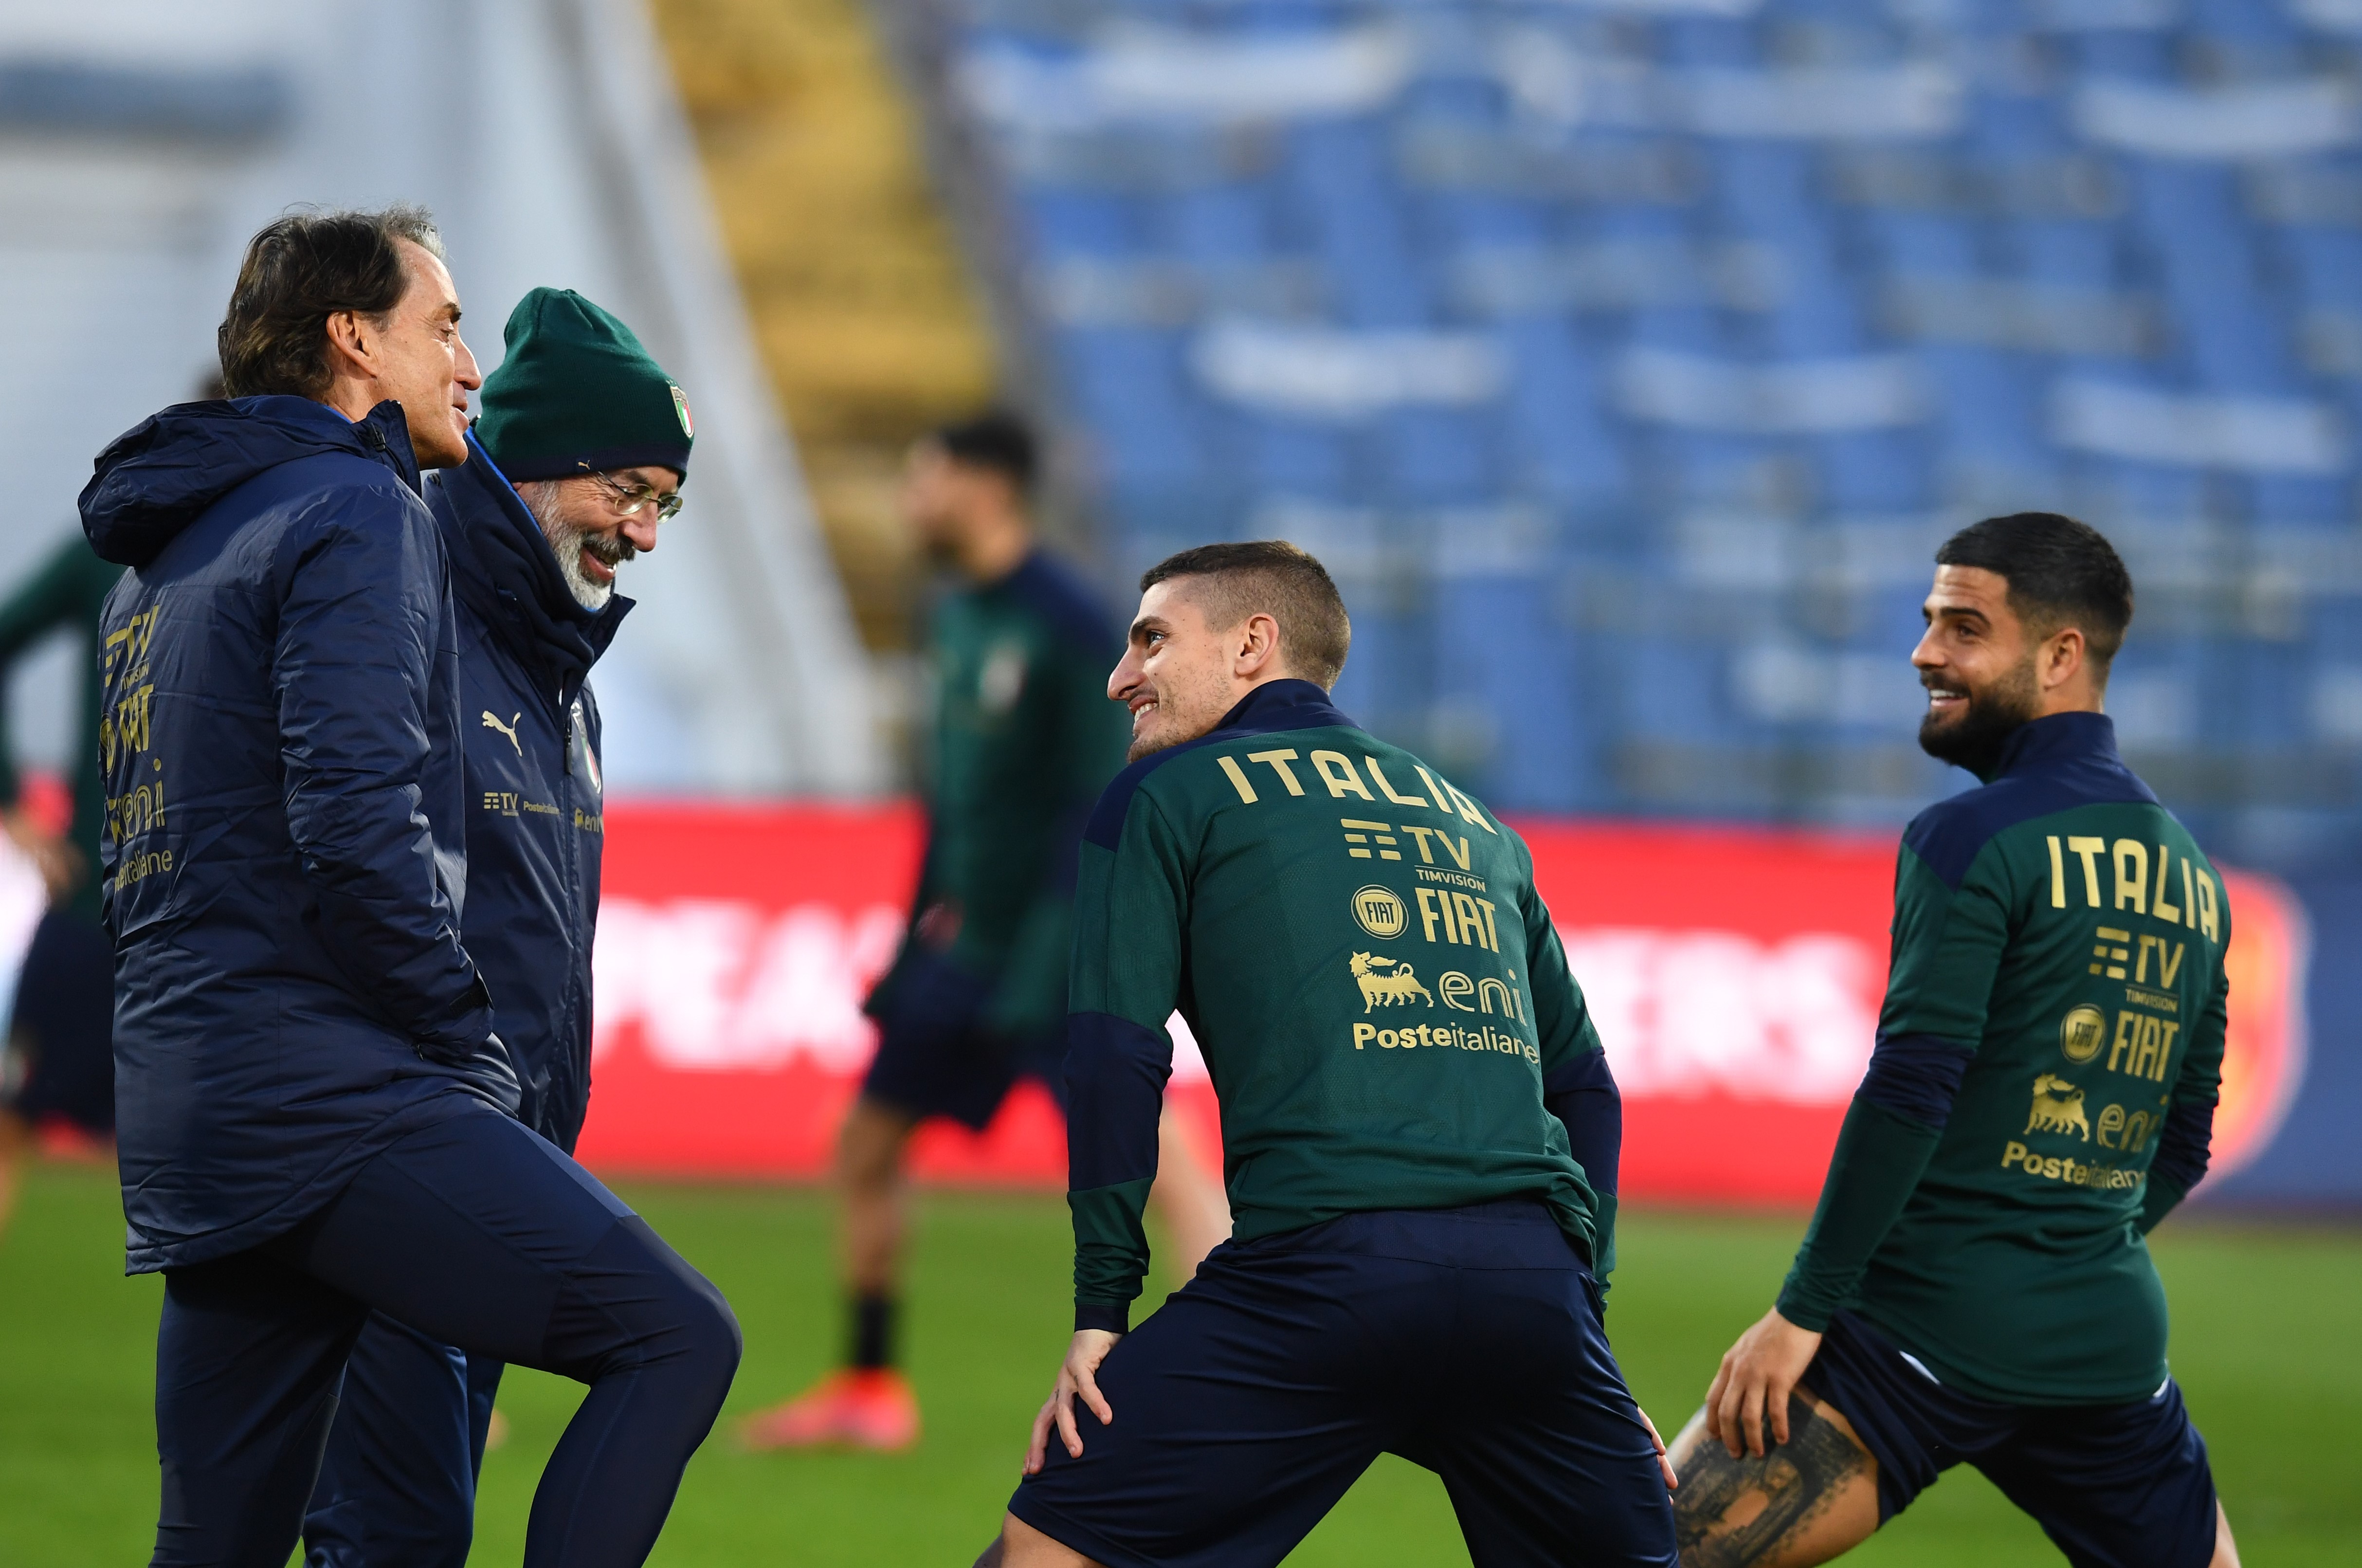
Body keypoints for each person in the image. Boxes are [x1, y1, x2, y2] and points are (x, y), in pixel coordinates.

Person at [85, 206, 737, 1568]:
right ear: (352, 338)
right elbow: (354, 826)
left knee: (219, 1540)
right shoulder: (363, 513)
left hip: (210, 1101)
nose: (466, 365)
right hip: (343, 1103)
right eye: (442, 326)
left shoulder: (174, 553)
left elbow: (157, 855)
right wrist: (461, 1061)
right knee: (675, 1338)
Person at [991, 541, 1678, 1568]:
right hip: (1531, 1293)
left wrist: (1102, 1312)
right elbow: (1584, 1084)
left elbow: (1113, 1057)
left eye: (1152, 640)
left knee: (1051, 1551)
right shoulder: (1475, 822)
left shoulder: (1167, 796)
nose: (1120, 677)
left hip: (1325, 1277)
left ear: (1252, 645)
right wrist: (1582, 1318)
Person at [1667, 513, 2239, 1568]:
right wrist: (2058, 1252)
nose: (1926, 652)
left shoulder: (1972, 838)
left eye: (1965, 627)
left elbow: (1912, 1086)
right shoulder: (2192, 875)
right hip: (2109, 1353)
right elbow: (2187, 1141)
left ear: (2063, 654)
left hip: (1914, 1337)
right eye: (1930, 621)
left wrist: (1802, 1313)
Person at [744, 413, 1231, 1453]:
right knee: (865, 1147)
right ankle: (870, 1391)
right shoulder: (953, 614)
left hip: (1058, 949)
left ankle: (1243, 1378)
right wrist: (910, 941)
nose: (910, 500)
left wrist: (1063, 948)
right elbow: (952, 797)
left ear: (985, 488)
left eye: (925, 478)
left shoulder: (1068, 619)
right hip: (965, 950)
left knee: (1151, 1159)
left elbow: (1098, 795)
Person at [302, 287, 690, 1568]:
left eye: (663, 504)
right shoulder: (398, 597)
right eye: (623, 487)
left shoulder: (561, 678)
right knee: (392, 1531)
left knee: (407, 1530)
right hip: (398, 1147)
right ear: (539, 459)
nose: (639, 530)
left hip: (494, 1168)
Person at [0, 534, 120, 1238]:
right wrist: (13, 800)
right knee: (13, 1120)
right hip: (95, 905)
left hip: (214, 918)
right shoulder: (111, 548)